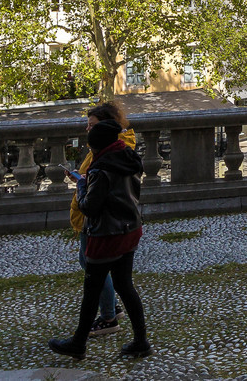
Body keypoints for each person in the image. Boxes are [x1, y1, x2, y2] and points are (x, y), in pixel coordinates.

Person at [50, 118, 150, 360]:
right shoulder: (129, 158)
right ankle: (141, 340)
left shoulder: (100, 169)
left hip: (106, 235)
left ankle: (78, 343)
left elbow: (90, 208)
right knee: (125, 286)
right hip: (130, 229)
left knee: (91, 290)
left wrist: (82, 185)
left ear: (97, 146)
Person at [68, 101, 133, 338]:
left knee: (94, 269)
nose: (88, 130)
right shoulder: (115, 150)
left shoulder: (110, 154)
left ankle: (106, 318)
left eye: (92, 125)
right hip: (113, 221)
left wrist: (83, 184)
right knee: (110, 275)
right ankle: (118, 320)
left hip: (100, 222)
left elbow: (93, 199)